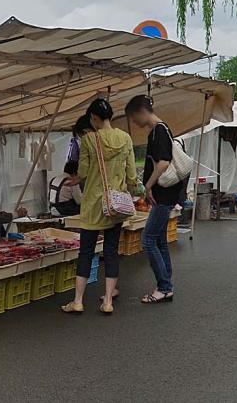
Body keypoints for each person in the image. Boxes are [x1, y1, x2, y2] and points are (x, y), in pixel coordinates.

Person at [63, 98, 138, 316]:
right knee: (111, 251)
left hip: (93, 204)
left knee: (86, 252)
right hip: (114, 204)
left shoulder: (89, 140)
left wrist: (76, 180)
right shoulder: (125, 139)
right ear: (110, 116)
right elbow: (132, 174)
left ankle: (77, 301)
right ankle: (107, 301)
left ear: (94, 118)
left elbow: (84, 172)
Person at [125, 94, 181, 305]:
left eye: (133, 118)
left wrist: (147, 186)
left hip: (162, 194)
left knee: (148, 239)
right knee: (158, 239)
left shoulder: (158, 131)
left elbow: (163, 163)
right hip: (166, 194)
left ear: (140, 112)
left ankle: (164, 287)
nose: (135, 123)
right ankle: (166, 283)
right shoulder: (160, 129)